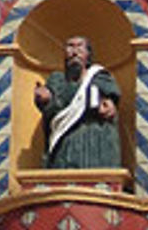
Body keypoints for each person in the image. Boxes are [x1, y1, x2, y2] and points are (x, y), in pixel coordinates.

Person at [33, 35, 121, 170]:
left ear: (88, 54)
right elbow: (52, 108)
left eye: (80, 46)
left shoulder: (100, 77)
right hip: (66, 141)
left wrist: (109, 105)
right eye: (70, 46)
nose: (75, 51)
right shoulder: (57, 80)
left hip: (95, 140)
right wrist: (44, 99)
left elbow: (110, 102)